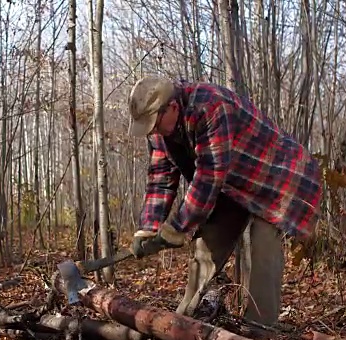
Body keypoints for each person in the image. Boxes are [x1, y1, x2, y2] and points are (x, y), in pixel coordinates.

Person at [127, 75, 323, 326]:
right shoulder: (159, 133)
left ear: (173, 107)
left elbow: (209, 178)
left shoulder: (210, 106)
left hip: (279, 178)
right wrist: (148, 228)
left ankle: (259, 336)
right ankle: (181, 324)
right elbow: (161, 178)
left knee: (262, 247)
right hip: (234, 183)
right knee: (207, 247)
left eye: (153, 123)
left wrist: (177, 229)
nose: (152, 130)